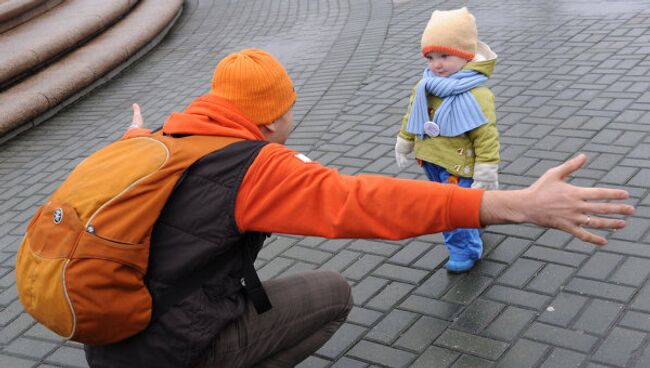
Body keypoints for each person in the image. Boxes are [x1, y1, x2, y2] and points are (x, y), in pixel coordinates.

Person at [85, 49, 634, 368]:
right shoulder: (254, 167)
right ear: (273, 119)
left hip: (107, 340)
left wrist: (134, 133)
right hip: (169, 350)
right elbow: (364, 202)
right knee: (333, 294)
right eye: (289, 110)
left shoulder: (156, 141)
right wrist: (517, 205)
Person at [395, 7, 500, 273]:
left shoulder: (477, 94)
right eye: (430, 57)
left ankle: (465, 250)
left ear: (465, 55)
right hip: (431, 160)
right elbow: (412, 114)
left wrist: (487, 167)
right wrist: (404, 141)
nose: (436, 64)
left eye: (444, 56)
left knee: (449, 212)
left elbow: (486, 133)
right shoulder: (425, 85)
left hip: (459, 165)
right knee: (460, 207)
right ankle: (475, 222)